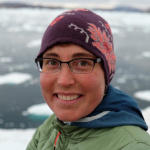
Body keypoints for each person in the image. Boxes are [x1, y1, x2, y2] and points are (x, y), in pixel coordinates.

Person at [26, 8, 150, 150]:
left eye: (82, 63)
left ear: (106, 72)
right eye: (52, 62)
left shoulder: (133, 146)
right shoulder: (50, 127)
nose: (64, 81)